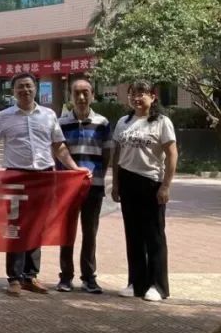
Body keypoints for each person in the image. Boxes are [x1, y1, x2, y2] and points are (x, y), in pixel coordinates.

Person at [0, 72, 88, 296]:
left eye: (29, 86)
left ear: (36, 89)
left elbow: (58, 146)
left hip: (43, 177)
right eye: (20, 87)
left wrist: (74, 168)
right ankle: (14, 278)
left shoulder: (49, 115)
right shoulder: (4, 116)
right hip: (16, 178)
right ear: (13, 91)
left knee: (38, 226)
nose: (25, 90)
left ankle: (30, 276)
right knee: (16, 226)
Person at [111, 80, 177, 302]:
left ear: (153, 96)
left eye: (142, 94)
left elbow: (172, 154)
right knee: (133, 235)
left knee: (154, 236)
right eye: (133, 94)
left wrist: (166, 185)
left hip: (151, 183)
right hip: (127, 181)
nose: (137, 98)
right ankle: (136, 283)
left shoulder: (161, 122)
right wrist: (116, 183)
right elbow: (117, 154)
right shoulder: (123, 122)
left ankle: (158, 286)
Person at [57, 78, 112, 294]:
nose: (81, 97)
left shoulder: (102, 123)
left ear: (92, 95)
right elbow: (57, 152)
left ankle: (89, 277)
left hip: (93, 187)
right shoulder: (61, 123)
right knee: (66, 232)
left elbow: (106, 153)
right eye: (76, 93)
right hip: (66, 188)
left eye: (85, 92)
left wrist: (98, 176)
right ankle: (66, 277)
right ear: (70, 96)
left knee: (90, 233)